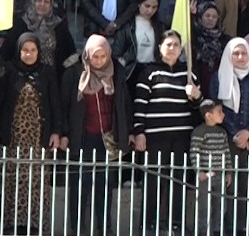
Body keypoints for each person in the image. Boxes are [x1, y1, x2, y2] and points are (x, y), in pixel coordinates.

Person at [0, 33, 63, 234]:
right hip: (12, 135)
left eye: (33, 50)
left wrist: (56, 131)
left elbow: (55, 103)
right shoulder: (9, 70)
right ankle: (8, 223)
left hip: (38, 136)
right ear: (19, 51)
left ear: (39, 51)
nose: (29, 54)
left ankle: (33, 224)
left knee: (35, 180)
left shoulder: (47, 72)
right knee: (9, 178)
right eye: (25, 50)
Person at [131, 31, 204, 234]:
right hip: (155, 137)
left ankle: (176, 223)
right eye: (168, 44)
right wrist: (139, 132)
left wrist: (197, 95)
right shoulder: (149, 72)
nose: (172, 48)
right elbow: (139, 104)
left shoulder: (189, 73)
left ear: (181, 49)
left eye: (176, 45)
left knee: (178, 180)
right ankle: (148, 223)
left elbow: (199, 108)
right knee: (153, 180)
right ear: (160, 47)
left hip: (182, 137)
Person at [60, 35, 132, 236]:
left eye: (103, 56)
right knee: (79, 186)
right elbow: (64, 105)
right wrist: (64, 133)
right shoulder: (74, 73)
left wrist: (129, 132)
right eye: (95, 57)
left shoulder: (117, 73)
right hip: (82, 137)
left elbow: (124, 104)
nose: (99, 61)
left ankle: (104, 228)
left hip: (108, 139)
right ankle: (77, 228)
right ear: (87, 56)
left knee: (105, 186)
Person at [213, 37, 249, 230]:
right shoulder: (220, 77)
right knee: (229, 184)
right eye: (236, 53)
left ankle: (242, 228)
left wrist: (248, 131)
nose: (240, 56)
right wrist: (236, 133)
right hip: (228, 139)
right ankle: (227, 227)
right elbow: (218, 108)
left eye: (244, 53)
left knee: (248, 186)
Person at [0, 0, 75, 78]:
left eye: (46, 2)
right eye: (39, 1)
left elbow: (71, 52)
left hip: (52, 78)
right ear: (33, 2)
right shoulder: (22, 23)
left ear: (51, 4)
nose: (42, 4)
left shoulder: (59, 25)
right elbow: (6, 51)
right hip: (23, 76)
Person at [190, 99, 232, 236]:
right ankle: (203, 231)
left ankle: (217, 230)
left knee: (220, 205)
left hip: (220, 175)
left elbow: (226, 152)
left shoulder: (222, 133)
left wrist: (229, 171)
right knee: (204, 205)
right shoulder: (199, 132)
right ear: (208, 115)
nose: (223, 114)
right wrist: (199, 171)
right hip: (206, 176)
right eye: (219, 112)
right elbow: (194, 152)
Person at [115, 0, 164, 91]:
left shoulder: (160, 27)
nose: (150, 11)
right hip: (131, 71)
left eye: (154, 7)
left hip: (152, 69)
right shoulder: (127, 25)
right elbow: (117, 51)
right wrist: (123, 63)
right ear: (139, 4)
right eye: (147, 6)